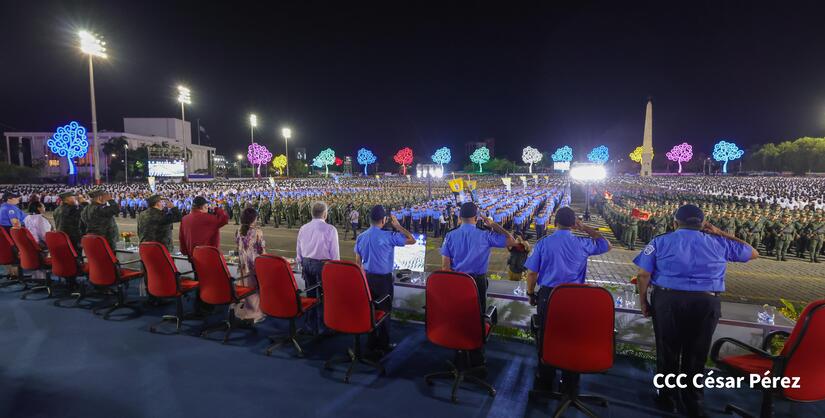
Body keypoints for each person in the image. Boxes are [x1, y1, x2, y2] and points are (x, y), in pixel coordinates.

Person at [634, 204, 758, 417]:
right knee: (696, 353)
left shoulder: (659, 241)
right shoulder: (719, 242)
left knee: (668, 350)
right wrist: (721, 232)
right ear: (703, 224)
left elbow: (644, 275)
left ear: (675, 223)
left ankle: (667, 397)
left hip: (668, 301)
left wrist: (644, 302)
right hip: (705, 303)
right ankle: (693, 400)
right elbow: (753, 252)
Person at [524, 207, 611, 391]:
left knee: (546, 335)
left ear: (555, 222)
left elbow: (532, 273)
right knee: (572, 335)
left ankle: (545, 379)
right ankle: (570, 380)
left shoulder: (543, 243)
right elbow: (606, 245)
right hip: (575, 297)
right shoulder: (582, 243)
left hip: (549, 296)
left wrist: (531, 294)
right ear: (573, 224)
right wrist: (585, 227)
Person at [354, 205, 415, 357]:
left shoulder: (361, 236)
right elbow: (411, 240)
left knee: (370, 311)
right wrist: (398, 226)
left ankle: (371, 342)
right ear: (384, 220)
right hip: (383, 280)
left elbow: (357, 264)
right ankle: (383, 344)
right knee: (385, 312)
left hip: (367, 278)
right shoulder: (388, 236)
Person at [440, 202, 515, 312]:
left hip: (457, 279)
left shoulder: (450, 235)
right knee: (478, 313)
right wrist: (493, 224)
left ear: (460, 217)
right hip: (477, 282)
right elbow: (511, 241)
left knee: (459, 310)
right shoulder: (485, 234)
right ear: (476, 218)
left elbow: (445, 267)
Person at [296, 201, 340, 335]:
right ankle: (323, 327)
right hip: (323, 266)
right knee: (324, 296)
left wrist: (301, 262)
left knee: (310, 295)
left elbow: (299, 249)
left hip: (307, 263)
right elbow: (335, 253)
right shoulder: (330, 229)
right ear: (325, 214)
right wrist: (336, 268)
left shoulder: (303, 228)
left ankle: (310, 324)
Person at [233, 208, 265, 324]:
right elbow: (262, 250)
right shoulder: (257, 232)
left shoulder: (238, 230)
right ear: (254, 219)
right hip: (253, 264)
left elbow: (237, 246)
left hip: (242, 263)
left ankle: (246, 309)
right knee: (254, 289)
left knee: (244, 287)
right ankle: (254, 312)